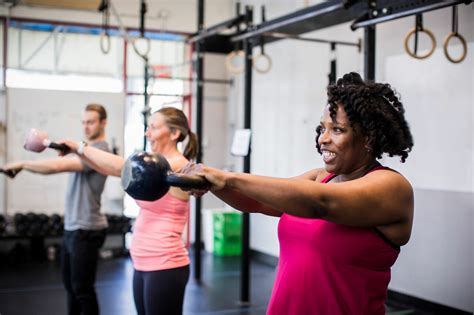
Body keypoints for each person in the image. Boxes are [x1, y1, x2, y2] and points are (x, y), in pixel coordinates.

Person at [185, 72, 415, 315]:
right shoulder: (319, 178)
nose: (322, 139)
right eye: (322, 128)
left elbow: (321, 203)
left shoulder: (391, 186)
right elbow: (256, 200)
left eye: (337, 129)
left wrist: (227, 177)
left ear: (367, 137)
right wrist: (213, 184)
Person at [59, 107, 197, 315]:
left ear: (175, 133)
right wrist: (80, 153)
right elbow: (108, 168)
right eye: (147, 127)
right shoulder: (158, 164)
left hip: (165, 263)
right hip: (143, 262)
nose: (147, 133)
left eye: (153, 127)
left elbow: (122, 166)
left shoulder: (176, 165)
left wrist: (80, 147)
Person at [2, 103, 110, 315]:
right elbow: (65, 157)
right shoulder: (84, 149)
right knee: (71, 288)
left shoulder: (100, 151)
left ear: (103, 123)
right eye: (83, 122)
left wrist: (23, 164)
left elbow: (59, 166)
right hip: (73, 227)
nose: (86, 126)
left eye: (91, 122)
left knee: (82, 289)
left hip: (88, 229)